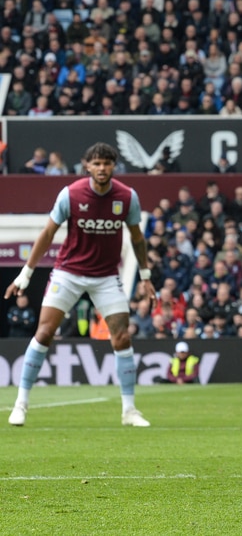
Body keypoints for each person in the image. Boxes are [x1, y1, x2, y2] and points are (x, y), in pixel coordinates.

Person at [6, 143, 155, 427]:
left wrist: (146, 277)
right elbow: (48, 233)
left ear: (114, 166)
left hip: (106, 276)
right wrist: (26, 272)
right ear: (86, 165)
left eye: (107, 163)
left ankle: (129, 411)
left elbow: (137, 237)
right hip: (69, 272)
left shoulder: (127, 197)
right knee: (45, 331)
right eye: (96, 163)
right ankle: (21, 404)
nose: (102, 168)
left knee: (121, 337)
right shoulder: (71, 194)